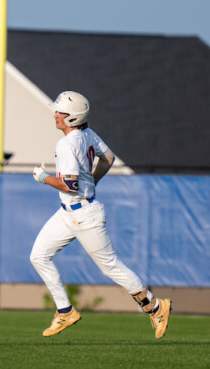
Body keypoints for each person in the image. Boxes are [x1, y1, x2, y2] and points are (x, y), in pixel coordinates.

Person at [30, 91, 172, 338]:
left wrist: (44, 178)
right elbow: (108, 158)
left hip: (84, 214)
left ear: (72, 118)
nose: (55, 115)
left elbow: (70, 185)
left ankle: (156, 306)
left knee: (111, 266)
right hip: (68, 213)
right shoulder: (87, 133)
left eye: (60, 112)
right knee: (38, 256)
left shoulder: (66, 144)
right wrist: (92, 181)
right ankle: (65, 311)